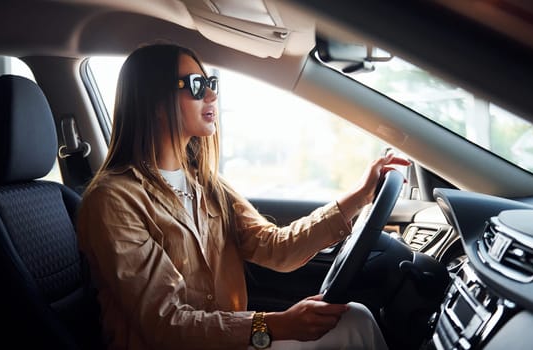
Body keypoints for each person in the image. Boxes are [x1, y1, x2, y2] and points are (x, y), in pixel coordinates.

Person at [77, 42, 411, 350]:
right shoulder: (113, 201)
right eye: (196, 86)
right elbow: (166, 325)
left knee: (354, 318)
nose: (211, 96)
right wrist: (273, 325)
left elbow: (277, 247)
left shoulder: (206, 185)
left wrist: (360, 196)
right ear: (154, 102)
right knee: (355, 324)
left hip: (232, 343)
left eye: (212, 85)